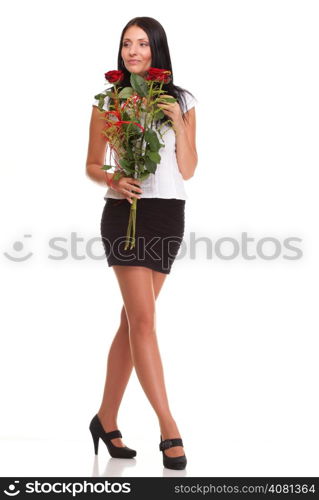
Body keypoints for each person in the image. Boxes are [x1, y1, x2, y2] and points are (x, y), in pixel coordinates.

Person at [86, 16, 198, 470]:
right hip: (124, 214)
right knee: (145, 321)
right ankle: (169, 428)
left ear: (157, 50)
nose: (133, 51)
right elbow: (93, 164)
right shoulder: (109, 101)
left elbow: (187, 169)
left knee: (131, 322)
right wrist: (115, 177)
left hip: (168, 213)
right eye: (126, 44)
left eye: (142, 44)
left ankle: (105, 419)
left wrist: (179, 123)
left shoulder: (183, 100)